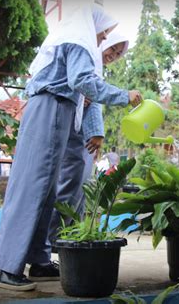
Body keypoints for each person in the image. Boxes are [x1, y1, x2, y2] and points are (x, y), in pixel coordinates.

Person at [0, 4, 142, 292]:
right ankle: (5, 266)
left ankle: (39, 258)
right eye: (105, 33)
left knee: (47, 190)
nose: (103, 39)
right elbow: (83, 81)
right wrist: (125, 96)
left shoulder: (74, 39)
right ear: (93, 25)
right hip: (51, 106)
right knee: (32, 187)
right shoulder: (80, 40)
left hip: (58, 109)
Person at [48, 31, 129, 241]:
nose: (113, 54)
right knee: (68, 187)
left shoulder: (95, 67)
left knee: (76, 190)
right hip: (74, 135)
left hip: (79, 134)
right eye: (112, 48)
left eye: (119, 53)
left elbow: (90, 98)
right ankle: (56, 240)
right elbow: (91, 94)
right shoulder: (87, 61)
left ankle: (66, 238)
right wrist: (97, 133)